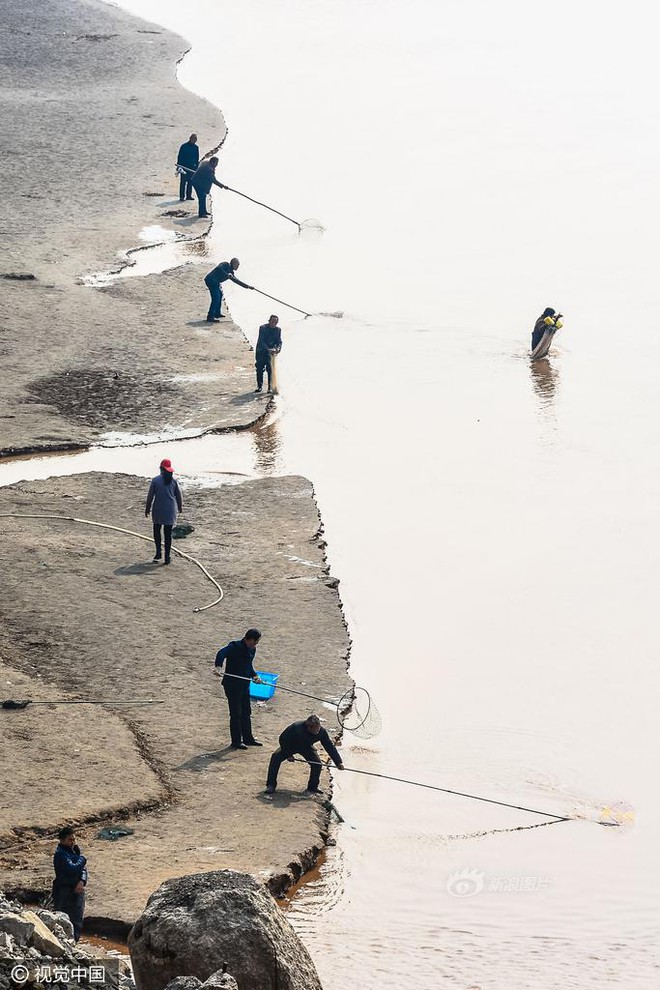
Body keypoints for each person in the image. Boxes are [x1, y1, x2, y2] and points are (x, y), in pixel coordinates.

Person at [265, 715, 344, 795]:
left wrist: (338, 762)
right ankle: (271, 785)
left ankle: (312, 787)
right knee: (275, 757)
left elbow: (329, 746)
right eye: (315, 729)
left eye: (318, 728)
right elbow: (283, 739)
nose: (317, 731)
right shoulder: (296, 727)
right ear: (308, 727)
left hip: (307, 747)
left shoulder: (322, 732)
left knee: (317, 764)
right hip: (291, 746)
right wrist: (288, 754)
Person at [214, 629, 264, 749]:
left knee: (246, 712)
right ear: (250, 639)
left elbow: (248, 665)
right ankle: (236, 741)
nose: (256, 644)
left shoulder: (252, 649)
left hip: (244, 685)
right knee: (236, 714)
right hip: (232, 686)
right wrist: (218, 666)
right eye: (255, 642)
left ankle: (248, 738)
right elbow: (221, 653)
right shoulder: (234, 646)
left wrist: (254, 675)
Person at [145, 458, 183, 565]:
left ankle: (158, 553)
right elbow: (179, 496)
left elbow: (150, 496)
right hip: (170, 510)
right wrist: (180, 507)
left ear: (161, 469)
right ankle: (167, 556)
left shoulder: (155, 480)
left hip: (158, 509)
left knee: (157, 530)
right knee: (167, 533)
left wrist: (147, 508)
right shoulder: (174, 481)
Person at [52, 826, 87, 942]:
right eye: (70, 840)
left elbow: (83, 870)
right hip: (64, 891)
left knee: (77, 919)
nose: (72, 842)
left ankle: (74, 942)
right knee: (63, 919)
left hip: (77, 889)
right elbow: (73, 868)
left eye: (74, 839)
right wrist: (82, 859)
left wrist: (81, 882)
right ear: (62, 840)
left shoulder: (72, 852)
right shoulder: (60, 855)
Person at [204, 257, 253, 323]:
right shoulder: (225, 264)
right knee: (216, 298)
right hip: (211, 280)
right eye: (237, 265)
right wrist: (227, 274)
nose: (238, 267)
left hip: (216, 282)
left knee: (220, 295)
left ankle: (217, 313)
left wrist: (248, 287)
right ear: (233, 263)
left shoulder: (231, 273)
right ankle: (210, 316)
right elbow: (219, 268)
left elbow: (237, 281)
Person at [255, 314, 282, 393]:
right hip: (261, 351)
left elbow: (279, 341)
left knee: (270, 369)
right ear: (269, 321)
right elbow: (261, 341)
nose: (273, 324)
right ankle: (259, 386)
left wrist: (278, 348)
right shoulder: (263, 328)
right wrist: (268, 349)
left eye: (275, 322)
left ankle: (270, 387)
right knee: (259, 369)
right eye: (272, 321)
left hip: (271, 353)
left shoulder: (278, 330)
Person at [176, 133, 199, 201]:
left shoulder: (196, 147)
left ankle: (189, 196)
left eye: (195, 140)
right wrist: (179, 166)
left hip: (192, 168)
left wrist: (196, 167)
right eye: (193, 139)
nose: (194, 141)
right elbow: (180, 157)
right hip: (183, 167)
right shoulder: (184, 146)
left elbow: (196, 158)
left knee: (190, 182)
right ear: (190, 138)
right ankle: (182, 196)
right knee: (183, 182)